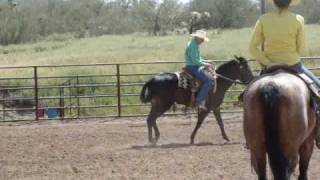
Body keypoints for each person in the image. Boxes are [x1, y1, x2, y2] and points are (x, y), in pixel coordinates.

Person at [249, 0, 320, 148]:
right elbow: (302, 49)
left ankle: (251, 138)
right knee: (318, 90)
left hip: (269, 66)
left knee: (248, 95)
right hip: (293, 65)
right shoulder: (298, 19)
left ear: (274, 3)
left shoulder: (263, 19)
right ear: (290, 3)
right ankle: (318, 132)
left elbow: (253, 47)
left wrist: (267, 62)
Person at [185, 29, 214, 111]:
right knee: (209, 81)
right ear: (198, 38)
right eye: (202, 39)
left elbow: (198, 58)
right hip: (193, 67)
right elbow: (195, 61)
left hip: (194, 66)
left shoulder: (194, 44)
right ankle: (199, 101)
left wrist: (206, 61)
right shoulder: (193, 46)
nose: (203, 41)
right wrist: (205, 64)